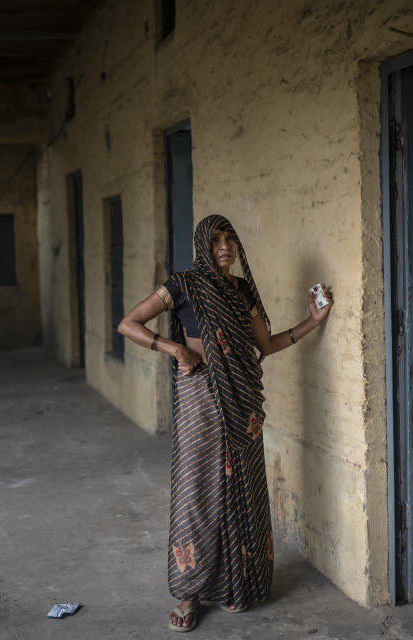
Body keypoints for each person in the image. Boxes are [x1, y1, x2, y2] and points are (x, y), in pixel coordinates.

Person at [117, 214, 332, 632]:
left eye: (230, 239)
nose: (225, 247)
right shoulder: (182, 285)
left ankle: (236, 584)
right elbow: (129, 324)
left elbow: (266, 345)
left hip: (242, 405)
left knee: (241, 491)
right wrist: (176, 350)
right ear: (203, 245)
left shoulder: (240, 290)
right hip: (200, 399)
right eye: (216, 240)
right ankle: (189, 591)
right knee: (198, 489)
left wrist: (313, 321)